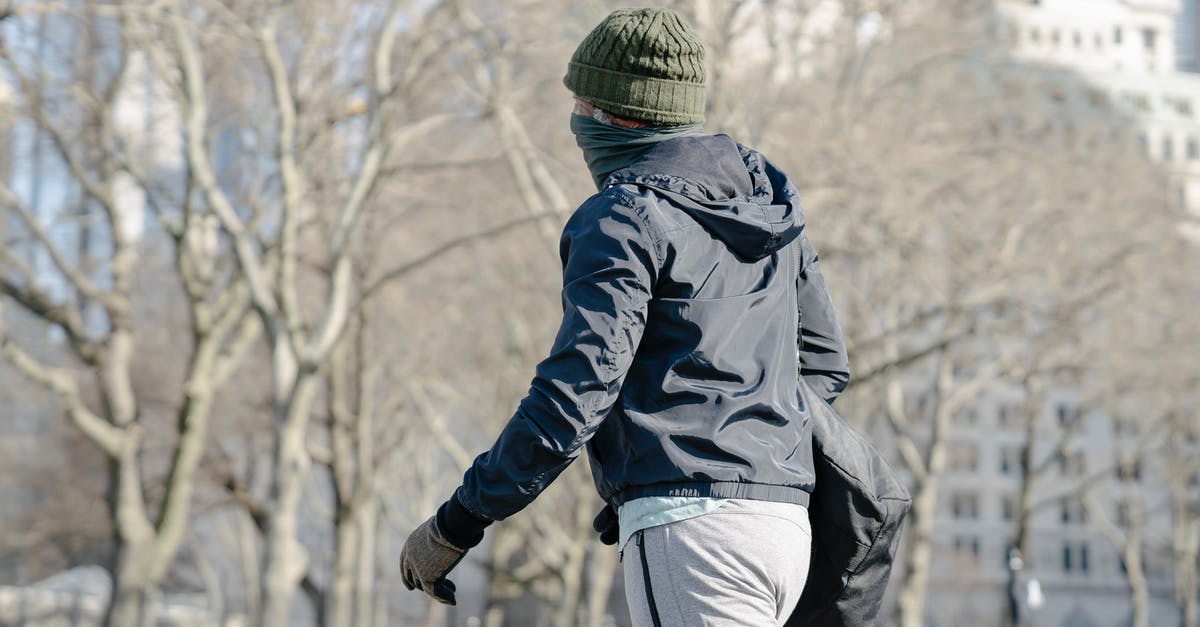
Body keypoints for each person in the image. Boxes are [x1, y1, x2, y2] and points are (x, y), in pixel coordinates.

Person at [400, 8, 850, 626]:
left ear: (620, 112)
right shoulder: (767, 206)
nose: (576, 120)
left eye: (584, 102)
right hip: (785, 525)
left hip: (695, 535)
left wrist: (458, 522)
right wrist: (757, 449)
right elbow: (825, 363)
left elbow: (575, 394)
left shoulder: (620, 218)